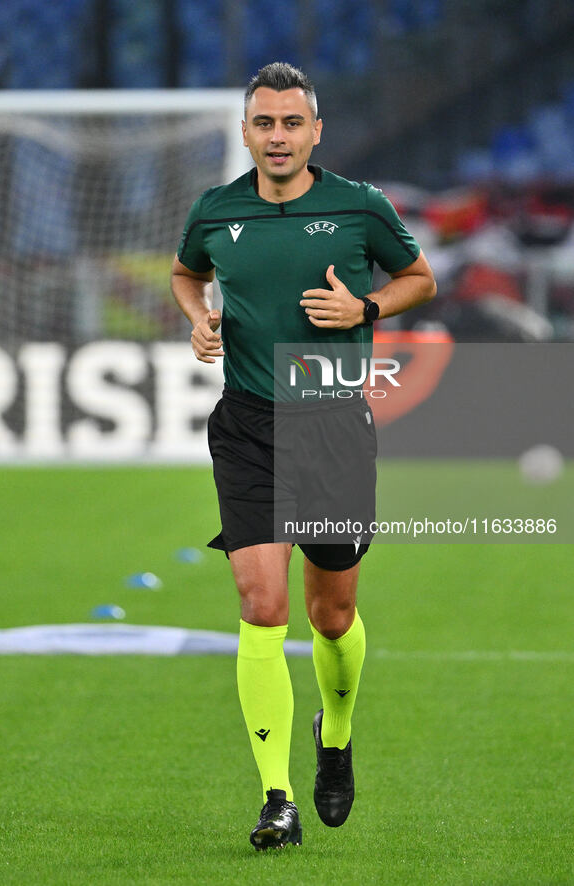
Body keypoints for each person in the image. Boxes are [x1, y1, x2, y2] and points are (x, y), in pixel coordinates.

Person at [171, 62, 436, 850]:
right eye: (264, 123)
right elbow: (188, 274)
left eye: (291, 123)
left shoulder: (360, 206)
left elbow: (418, 278)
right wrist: (199, 318)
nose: (277, 136)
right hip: (247, 425)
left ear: (315, 131)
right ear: (246, 131)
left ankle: (337, 731)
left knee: (332, 613)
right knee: (260, 604)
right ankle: (275, 798)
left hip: (330, 422)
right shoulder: (216, 211)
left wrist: (366, 305)